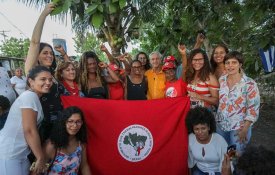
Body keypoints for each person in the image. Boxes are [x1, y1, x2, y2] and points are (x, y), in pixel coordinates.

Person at [0, 66, 53, 175]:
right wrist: (40, 157)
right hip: (9, 153)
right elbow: (29, 130)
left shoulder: (34, 97)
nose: (48, 82)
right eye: (43, 79)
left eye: (50, 79)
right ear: (31, 81)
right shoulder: (30, 97)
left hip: (20, 153)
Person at [215, 51, 260, 155]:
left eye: (234, 62)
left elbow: (253, 109)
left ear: (240, 64)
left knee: (236, 158)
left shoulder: (249, 84)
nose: (230, 66)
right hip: (221, 125)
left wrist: (245, 130)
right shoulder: (222, 80)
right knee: (223, 155)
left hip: (239, 128)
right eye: (227, 62)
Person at [44, 106, 91, 174]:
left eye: (78, 121)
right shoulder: (52, 145)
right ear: (63, 122)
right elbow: (36, 171)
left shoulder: (80, 144)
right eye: (70, 121)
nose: (74, 125)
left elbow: (84, 166)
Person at [186, 107, 228, 175]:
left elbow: (227, 165)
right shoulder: (190, 139)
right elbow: (190, 162)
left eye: (203, 128)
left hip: (218, 172)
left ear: (209, 127)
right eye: (196, 129)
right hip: (200, 171)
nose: (200, 132)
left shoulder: (219, 141)